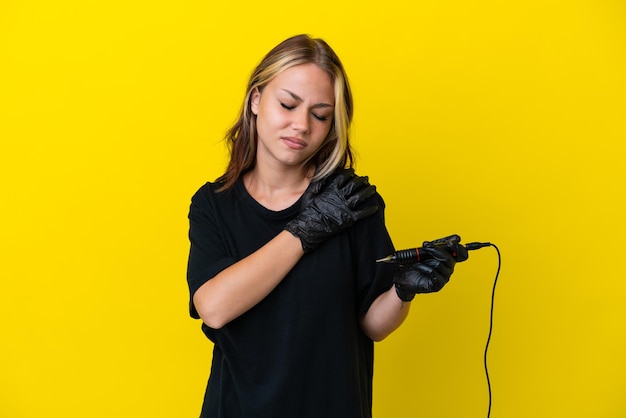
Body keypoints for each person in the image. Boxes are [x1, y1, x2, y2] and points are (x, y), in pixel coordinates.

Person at [186, 34, 459, 418]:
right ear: (256, 100)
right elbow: (214, 307)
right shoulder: (214, 204)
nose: (301, 125)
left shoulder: (351, 201)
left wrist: (403, 289)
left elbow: (373, 326)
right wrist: (308, 228)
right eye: (288, 104)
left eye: (320, 114)